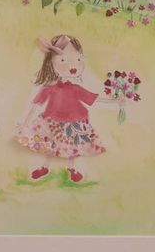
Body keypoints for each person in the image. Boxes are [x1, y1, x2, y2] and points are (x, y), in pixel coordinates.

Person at [14, 32, 105, 183]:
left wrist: (115, 100)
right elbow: (37, 104)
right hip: (53, 119)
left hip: (75, 120)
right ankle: (45, 167)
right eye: (63, 60)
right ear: (52, 62)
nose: (72, 66)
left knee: (73, 145)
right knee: (51, 143)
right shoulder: (50, 88)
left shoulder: (75, 88)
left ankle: (72, 168)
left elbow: (92, 98)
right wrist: (24, 123)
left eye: (77, 59)